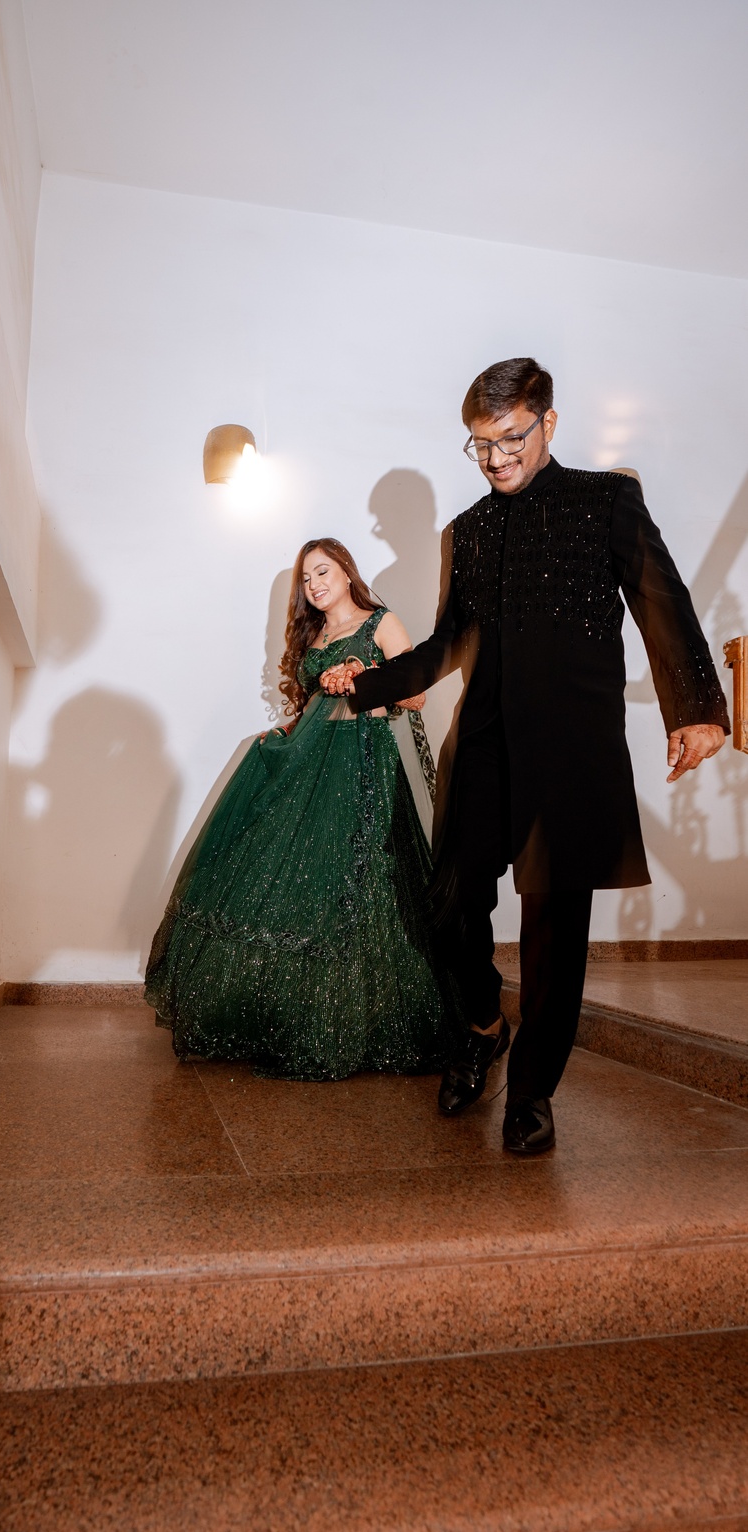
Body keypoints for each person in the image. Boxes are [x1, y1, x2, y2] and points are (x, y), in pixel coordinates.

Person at [322, 358, 729, 1153]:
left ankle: (533, 1090)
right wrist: (366, 684)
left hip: (571, 755)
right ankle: (483, 1027)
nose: (496, 457)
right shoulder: (468, 529)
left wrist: (694, 711)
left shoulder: (604, 500)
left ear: (548, 422)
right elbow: (447, 643)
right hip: (482, 745)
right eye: (480, 443)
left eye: (510, 438)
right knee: (447, 907)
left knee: (553, 934)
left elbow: (660, 598)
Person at [145, 538, 463, 1080]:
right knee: (293, 881)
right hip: (310, 761)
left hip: (360, 763)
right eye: (306, 578)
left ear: (346, 571)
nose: (314, 585)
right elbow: (316, 704)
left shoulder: (381, 623)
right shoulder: (315, 636)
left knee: (358, 883)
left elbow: (415, 697)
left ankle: (360, 1022)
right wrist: (290, 727)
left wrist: (363, 672)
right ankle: (285, 1016)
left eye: (323, 572)